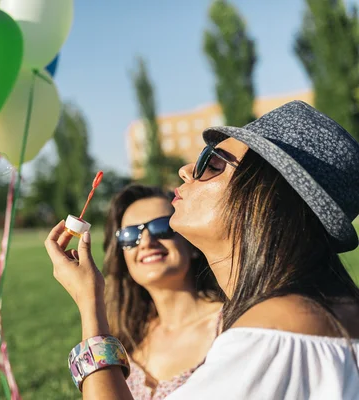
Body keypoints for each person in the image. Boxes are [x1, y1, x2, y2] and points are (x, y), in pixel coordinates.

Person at [46, 100, 359, 399]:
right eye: (129, 235)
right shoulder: (311, 309)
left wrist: (89, 302)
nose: (185, 170)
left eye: (212, 163)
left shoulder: (280, 325)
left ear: (263, 199)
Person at [101, 184, 223, 399]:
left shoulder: (231, 326)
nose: (146, 242)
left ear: (192, 244)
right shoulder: (126, 336)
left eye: (161, 227)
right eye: (130, 235)